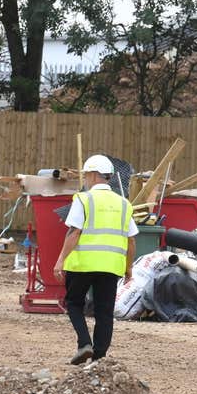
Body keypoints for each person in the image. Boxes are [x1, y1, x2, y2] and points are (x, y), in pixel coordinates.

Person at [53, 154, 138, 365]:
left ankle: (84, 344)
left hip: (83, 263)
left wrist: (61, 259)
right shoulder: (124, 204)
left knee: (73, 303)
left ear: (91, 174)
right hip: (111, 266)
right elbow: (132, 241)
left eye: (85, 175)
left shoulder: (83, 199)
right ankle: (99, 359)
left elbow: (74, 232)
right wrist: (128, 268)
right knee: (104, 312)